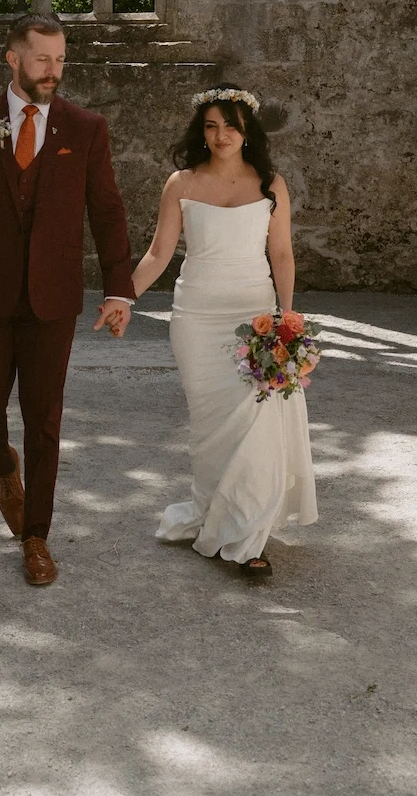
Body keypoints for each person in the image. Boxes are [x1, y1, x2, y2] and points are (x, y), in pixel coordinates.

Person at [0, 14, 135, 587]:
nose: (54, 70)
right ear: (13, 59)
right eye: (43, 59)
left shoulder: (86, 127)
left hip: (54, 300)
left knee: (44, 418)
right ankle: (2, 463)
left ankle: (37, 537)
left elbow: (107, 210)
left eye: (61, 59)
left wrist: (118, 288)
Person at [129, 86, 317, 575]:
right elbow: (158, 254)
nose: (221, 135)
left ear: (247, 130)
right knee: (211, 428)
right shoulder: (182, 183)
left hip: (252, 321)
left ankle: (246, 541)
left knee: (256, 423)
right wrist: (122, 298)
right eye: (211, 126)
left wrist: (287, 317)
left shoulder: (270, 184)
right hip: (195, 317)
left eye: (230, 125)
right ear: (201, 131)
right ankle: (216, 514)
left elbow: (281, 254)